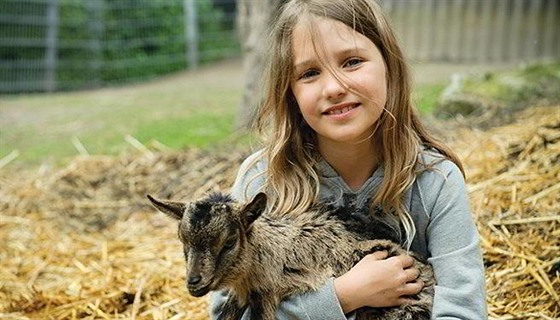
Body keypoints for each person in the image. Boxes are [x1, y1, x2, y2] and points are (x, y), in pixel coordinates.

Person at [210, 0, 487, 318]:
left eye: (352, 62)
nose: (334, 87)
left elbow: (463, 309)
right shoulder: (262, 184)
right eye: (310, 73)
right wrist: (342, 297)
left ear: (389, 65)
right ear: (290, 91)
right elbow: (228, 314)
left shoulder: (435, 180)